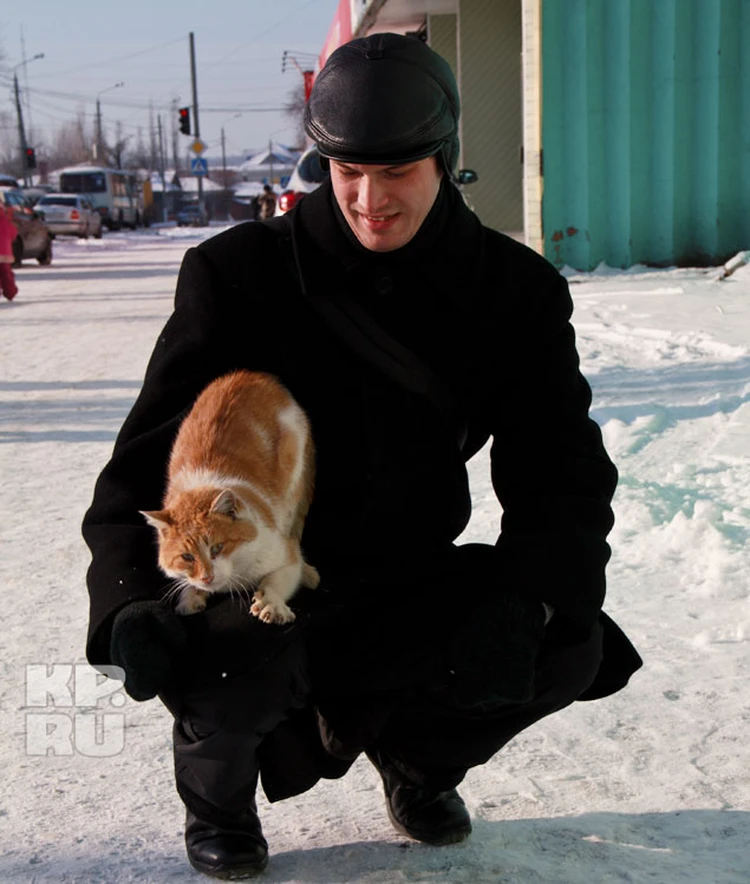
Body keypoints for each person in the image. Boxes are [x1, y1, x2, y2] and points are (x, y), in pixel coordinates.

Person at [83, 33, 642, 880]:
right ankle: (219, 799)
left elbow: (559, 470)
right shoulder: (239, 275)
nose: (368, 199)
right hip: (272, 568)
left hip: (407, 574)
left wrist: (528, 599)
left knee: (565, 641)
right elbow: (148, 459)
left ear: (445, 160)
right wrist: (127, 606)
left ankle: (419, 760)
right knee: (209, 645)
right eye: (346, 170)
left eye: (397, 171)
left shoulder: (512, 292)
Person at [0, 206, 19, 301]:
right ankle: (10, 292)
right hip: (4, 252)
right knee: (6, 273)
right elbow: (13, 233)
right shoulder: (6, 221)